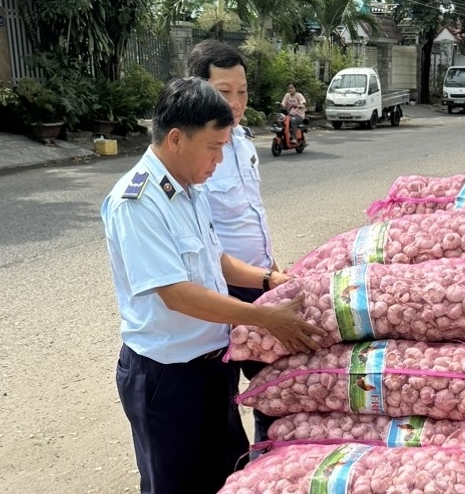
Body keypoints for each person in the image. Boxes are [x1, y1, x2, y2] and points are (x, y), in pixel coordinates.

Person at [101, 77, 325, 494]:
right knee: (175, 485)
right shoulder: (137, 202)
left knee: (226, 476)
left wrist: (270, 279)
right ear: (175, 139)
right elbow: (176, 294)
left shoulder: (190, 189)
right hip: (167, 377)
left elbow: (216, 261)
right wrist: (265, 318)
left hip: (212, 365)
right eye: (213, 147)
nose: (219, 160)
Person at [186, 40, 283, 451]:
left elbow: (250, 212)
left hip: (260, 279)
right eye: (224, 92)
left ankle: (268, 463)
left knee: (273, 388)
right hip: (222, 290)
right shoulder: (193, 155)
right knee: (221, 393)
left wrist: (271, 269)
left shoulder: (241, 140)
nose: (236, 103)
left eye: (242, 91)